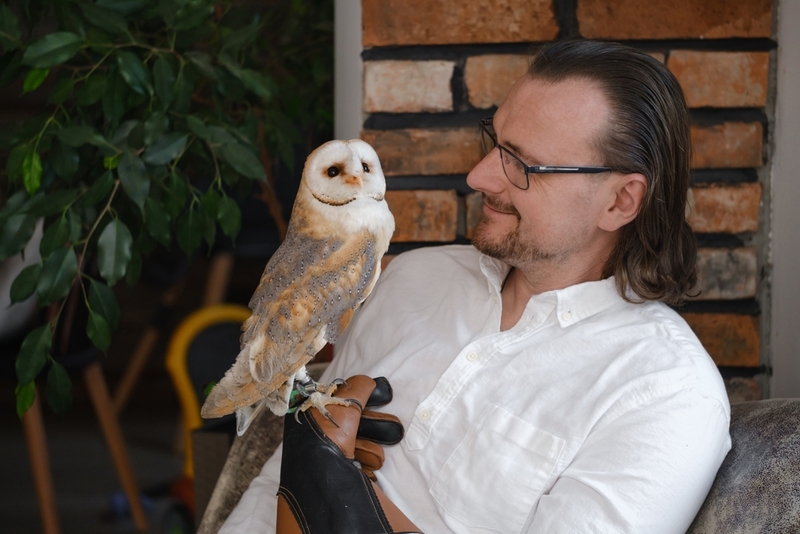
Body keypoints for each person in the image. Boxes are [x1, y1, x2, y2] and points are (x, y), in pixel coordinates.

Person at [220, 40, 731, 533]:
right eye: (496, 143)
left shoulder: (663, 391)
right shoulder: (415, 279)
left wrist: (335, 487)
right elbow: (270, 491)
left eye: (523, 165)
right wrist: (313, 461)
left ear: (621, 201)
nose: (480, 176)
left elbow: (307, 479)